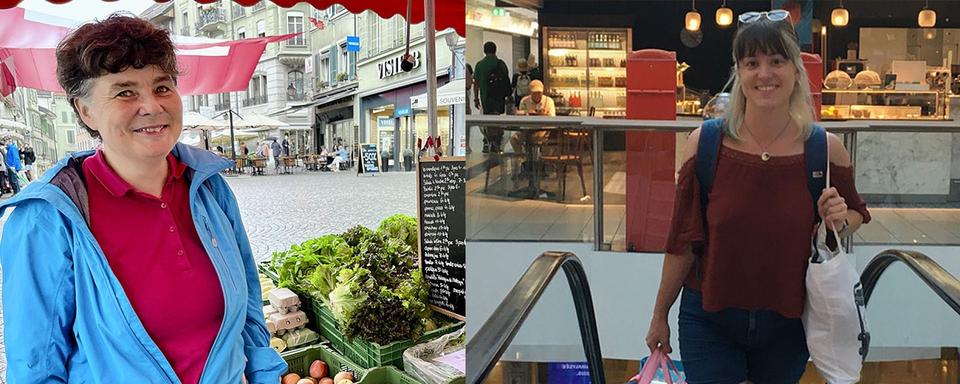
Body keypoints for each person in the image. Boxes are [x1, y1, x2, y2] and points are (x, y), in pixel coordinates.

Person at [0, 15, 285, 383]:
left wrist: (264, 375)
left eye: (163, 87)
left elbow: (247, 305)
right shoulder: (48, 219)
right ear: (85, 111)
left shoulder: (209, 187)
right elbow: (35, 368)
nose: (151, 105)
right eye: (125, 91)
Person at [643, 10, 871, 384]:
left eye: (776, 61)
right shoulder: (706, 145)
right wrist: (659, 315)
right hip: (709, 318)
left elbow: (856, 214)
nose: (765, 74)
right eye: (752, 63)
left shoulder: (823, 149)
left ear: (796, 71)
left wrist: (838, 219)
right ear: (739, 72)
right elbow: (683, 242)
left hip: (789, 321)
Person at [473, 41, 510, 152]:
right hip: (499, 98)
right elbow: (506, 80)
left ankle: (490, 141)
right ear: (495, 50)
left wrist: (476, 98)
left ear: (484, 51)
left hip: (486, 98)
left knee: (488, 120)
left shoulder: (479, 65)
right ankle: (497, 141)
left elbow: (476, 83)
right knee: (497, 119)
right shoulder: (501, 63)